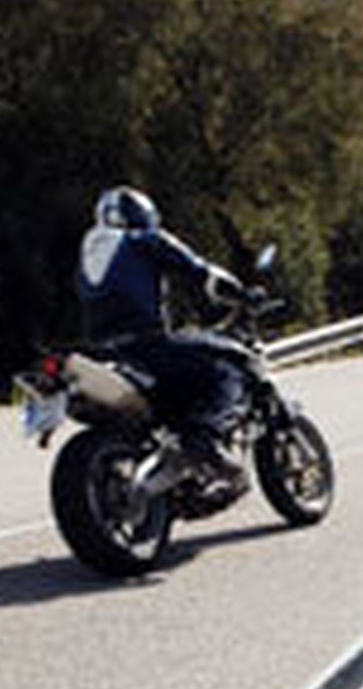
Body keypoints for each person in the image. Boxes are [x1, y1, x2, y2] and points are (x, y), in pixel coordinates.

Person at [76, 186, 252, 492]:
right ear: (142, 214)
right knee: (227, 368)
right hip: (146, 345)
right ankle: (202, 440)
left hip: (103, 353)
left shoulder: (87, 254)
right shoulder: (144, 239)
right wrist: (235, 290)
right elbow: (197, 269)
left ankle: (172, 458)